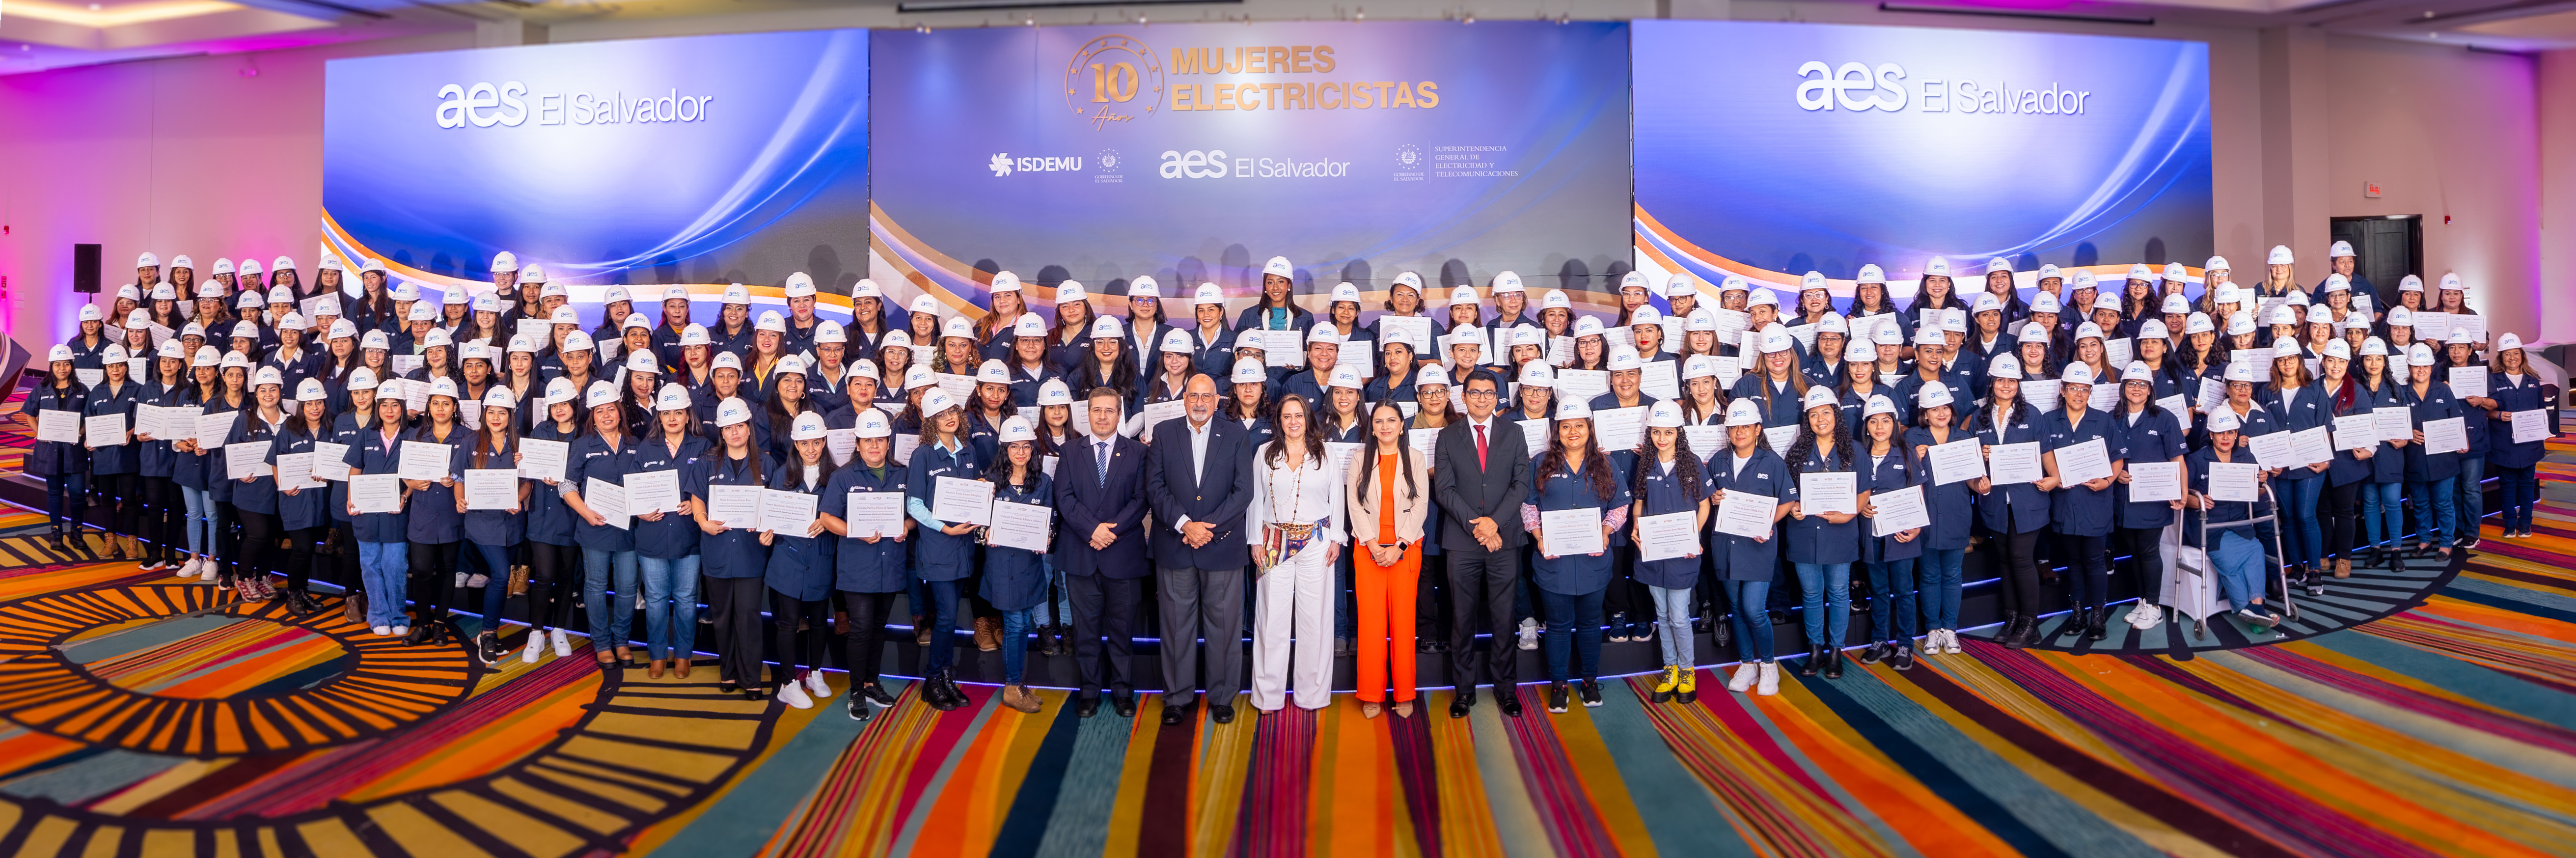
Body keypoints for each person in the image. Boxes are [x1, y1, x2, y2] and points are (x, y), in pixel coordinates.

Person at [1145, 373, 1259, 726]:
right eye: (1193, 395)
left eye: (1206, 396)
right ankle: (1177, 697)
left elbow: (1243, 491)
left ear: (1217, 400)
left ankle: (1222, 697)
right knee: (1176, 626)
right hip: (1176, 544)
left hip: (1221, 547)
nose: (1198, 402)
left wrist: (1207, 528)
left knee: (1224, 627)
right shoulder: (1165, 433)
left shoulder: (1237, 433)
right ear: (1184, 399)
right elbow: (1155, 486)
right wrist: (1185, 525)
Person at [1431, 369, 1532, 718]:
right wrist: (1479, 526)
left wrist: (1494, 523)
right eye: (1476, 392)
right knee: (1463, 619)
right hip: (1462, 541)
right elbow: (1444, 489)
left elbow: (1521, 484)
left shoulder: (1515, 433)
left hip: (1504, 538)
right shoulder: (1447, 436)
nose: (1483, 399)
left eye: (1490, 393)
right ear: (1464, 395)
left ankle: (1506, 690)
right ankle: (1464, 692)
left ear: (1497, 397)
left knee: (1504, 618)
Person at [1054, 387, 1150, 719]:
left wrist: (1110, 531)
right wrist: (1092, 530)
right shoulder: (1069, 452)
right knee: (1086, 630)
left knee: (1123, 631)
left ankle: (1123, 691)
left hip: (1122, 555)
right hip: (1081, 554)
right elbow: (1064, 498)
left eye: (1110, 410)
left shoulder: (1137, 452)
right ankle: (1090, 691)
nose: (1103, 416)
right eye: (1097, 410)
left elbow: (1141, 500)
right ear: (1088, 413)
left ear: (1120, 414)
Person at [1527, 400, 1628, 714]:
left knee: (1588, 624)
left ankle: (1589, 681)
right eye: (1566, 426)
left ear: (1589, 429)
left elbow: (1620, 506)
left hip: (1593, 562)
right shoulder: (1540, 462)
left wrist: (1606, 531)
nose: (1573, 432)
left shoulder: (1606, 464)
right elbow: (1528, 506)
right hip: (1553, 562)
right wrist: (1539, 537)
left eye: (1580, 426)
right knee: (1557, 625)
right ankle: (1558, 685)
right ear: (1557, 431)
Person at [1244, 394, 1343, 715]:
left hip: (1316, 540)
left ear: (1308, 418)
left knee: (1314, 620)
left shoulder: (1325, 453)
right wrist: (1254, 541)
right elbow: (1254, 499)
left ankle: (1312, 695)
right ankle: (1267, 696)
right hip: (1273, 539)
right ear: (1279, 420)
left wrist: (1337, 538)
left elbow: (1337, 498)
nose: (1293, 421)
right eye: (1287, 416)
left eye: (1299, 415)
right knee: (1271, 619)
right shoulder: (1264, 453)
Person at [1346, 399, 1429, 719]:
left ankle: (1405, 692)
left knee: (1403, 623)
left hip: (1405, 550)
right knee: (1370, 625)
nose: (1384, 426)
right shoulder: (1359, 458)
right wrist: (1371, 543)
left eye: (1391, 420)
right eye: (1378, 421)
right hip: (1368, 551)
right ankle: (1371, 692)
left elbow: (1421, 504)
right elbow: (1354, 505)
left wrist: (1400, 545)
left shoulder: (1416, 458)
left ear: (1402, 425)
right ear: (1372, 427)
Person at [1968, 354, 2053, 649]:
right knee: (2004, 560)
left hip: (2028, 500)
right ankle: (2013, 618)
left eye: (2012, 381)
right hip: (1995, 502)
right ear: (1992, 382)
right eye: (2001, 380)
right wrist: (1981, 461)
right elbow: (1969, 463)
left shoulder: (2033, 415)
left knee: (2021, 559)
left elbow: (2047, 458)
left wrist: (2053, 477)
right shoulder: (1978, 418)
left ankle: (2031, 623)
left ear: (2019, 384)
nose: (2006, 385)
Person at [905, 389, 981, 709]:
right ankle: (932, 679)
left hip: (964, 548)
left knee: (950, 618)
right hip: (938, 547)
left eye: (953, 411)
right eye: (941, 414)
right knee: (947, 616)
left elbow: (973, 491)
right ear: (931, 422)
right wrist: (945, 527)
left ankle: (946, 677)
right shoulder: (922, 455)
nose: (950, 417)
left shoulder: (969, 451)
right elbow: (914, 505)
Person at [1631, 400, 1711, 703]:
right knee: (1662, 616)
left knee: (1678, 616)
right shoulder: (1646, 465)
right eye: (1656, 433)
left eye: (1668, 433)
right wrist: (1636, 528)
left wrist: (1695, 536)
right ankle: (1671, 670)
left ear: (1679, 432)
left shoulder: (1692, 462)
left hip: (1683, 553)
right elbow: (1639, 502)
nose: (1662, 439)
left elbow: (1704, 505)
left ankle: (1688, 671)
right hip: (1653, 552)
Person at [1783, 386, 1860, 676]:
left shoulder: (1852, 449)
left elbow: (1864, 490)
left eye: (1825, 413)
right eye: (1814, 415)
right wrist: (1792, 507)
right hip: (1804, 533)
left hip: (1839, 534)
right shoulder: (1797, 452)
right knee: (1812, 594)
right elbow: (1787, 491)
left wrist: (1848, 514)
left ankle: (1836, 652)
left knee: (1839, 593)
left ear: (1836, 416)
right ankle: (1816, 651)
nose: (1820, 419)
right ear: (1808, 421)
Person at [633, 383, 709, 677]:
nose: (673, 418)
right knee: (655, 599)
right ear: (659, 417)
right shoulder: (646, 447)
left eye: (679, 413)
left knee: (687, 598)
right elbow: (634, 488)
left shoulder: (702, 447)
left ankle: (683, 655)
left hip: (688, 537)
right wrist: (639, 509)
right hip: (651, 536)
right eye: (667, 413)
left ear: (688, 415)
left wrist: (696, 503)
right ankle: (657, 655)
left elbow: (711, 486)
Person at [2044, 363, 2120, 640]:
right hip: (2065, 503)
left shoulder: (2104, 420)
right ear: (2063, 390)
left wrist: (2108, 481)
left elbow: (2118, 457)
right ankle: (2078, 614)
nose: (2079, 393)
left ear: (2091, 392)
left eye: (2085, 389)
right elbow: (2044, 456)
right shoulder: (2049, 421)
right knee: (2073, 562)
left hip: (2095, 503)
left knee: (2095, 561)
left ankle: (2098, 617)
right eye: (2074, 388)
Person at [2189, 408, 2283, 628]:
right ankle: (2251, 609)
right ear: (2211, 435)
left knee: (2257, 550)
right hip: (2211, 528)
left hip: (2240, 525)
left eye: (2230, 433)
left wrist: (2262, 481)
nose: (2226, 438)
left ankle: (2255, 608)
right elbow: (2183, 496)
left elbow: (2257, 493)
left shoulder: (2246, 456)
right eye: (2220, 433)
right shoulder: (2196, 460)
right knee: (2231, 559)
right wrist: (2200, 500)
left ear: (2236, 434)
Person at [454, 387, 528, 663]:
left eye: (502, 413)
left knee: (500, 576)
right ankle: (487, 634)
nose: (496, 417)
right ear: (484, 414)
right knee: (500, 575)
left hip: (511, 523)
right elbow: (459, 477)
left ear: (510, 416)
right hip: (482, 523)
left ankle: (488, 633)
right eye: (491, 412)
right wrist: (460, 500)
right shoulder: (470, 442)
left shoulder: (521, 446)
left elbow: (527, 483)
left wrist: (519, 499)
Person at [402, 378, 472, 646]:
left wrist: (458, 480)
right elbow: (402, 471)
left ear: (455, 407)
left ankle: (440, 625)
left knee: (447, 570)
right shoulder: (415, 435)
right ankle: (422, 625)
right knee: (420, 570)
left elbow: (475, 471)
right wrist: (411, 483)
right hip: (423, 512)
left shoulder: (467, 437)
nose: (440, 408)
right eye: (435, 404)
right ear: (428, 407)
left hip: (452, 513)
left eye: (446, 404)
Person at [2398, 343, 2469, 557]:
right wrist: (2408, 433)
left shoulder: (2444, 390)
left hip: (2443, 460)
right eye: (2417, 367)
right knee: (2420, 504)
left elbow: (2457, 420)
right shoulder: (2401, 393)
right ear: (2409, 368)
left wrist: (2463, 441)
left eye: (2426, 367)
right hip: (2415, 459)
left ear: (2432, 367)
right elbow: (2394, 425)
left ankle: (2446, 543)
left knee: (2444, 504)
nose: (2421, 371)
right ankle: (2425, 541)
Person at [26, 345, 92, 554]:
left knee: (78, 493)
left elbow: (91, 417)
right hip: (50, 451)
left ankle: (77, 531)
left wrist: (82, 431)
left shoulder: (83, 390)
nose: (62, 368)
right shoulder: (41, 388)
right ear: (51, 367)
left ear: (71, 366)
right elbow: (29, 413)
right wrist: (39, 432)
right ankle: (56, 532)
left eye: (65, 364)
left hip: (74, 451)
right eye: (57, 364)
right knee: (54, 493)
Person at [2487, 334, 2547, 539]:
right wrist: (2498, 415)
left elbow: (2542, 411)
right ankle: (2510, 524)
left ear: (2522, 355)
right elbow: (2484, 411)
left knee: (2527, 485)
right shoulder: (2493, 381)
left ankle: (2526, 524)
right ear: (2501, 357)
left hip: (2530, 444)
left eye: (2515, 353)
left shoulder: (2534, 381)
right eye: (2507, 354)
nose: (2512, 358)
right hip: (2504, 443)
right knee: (2507, 485)